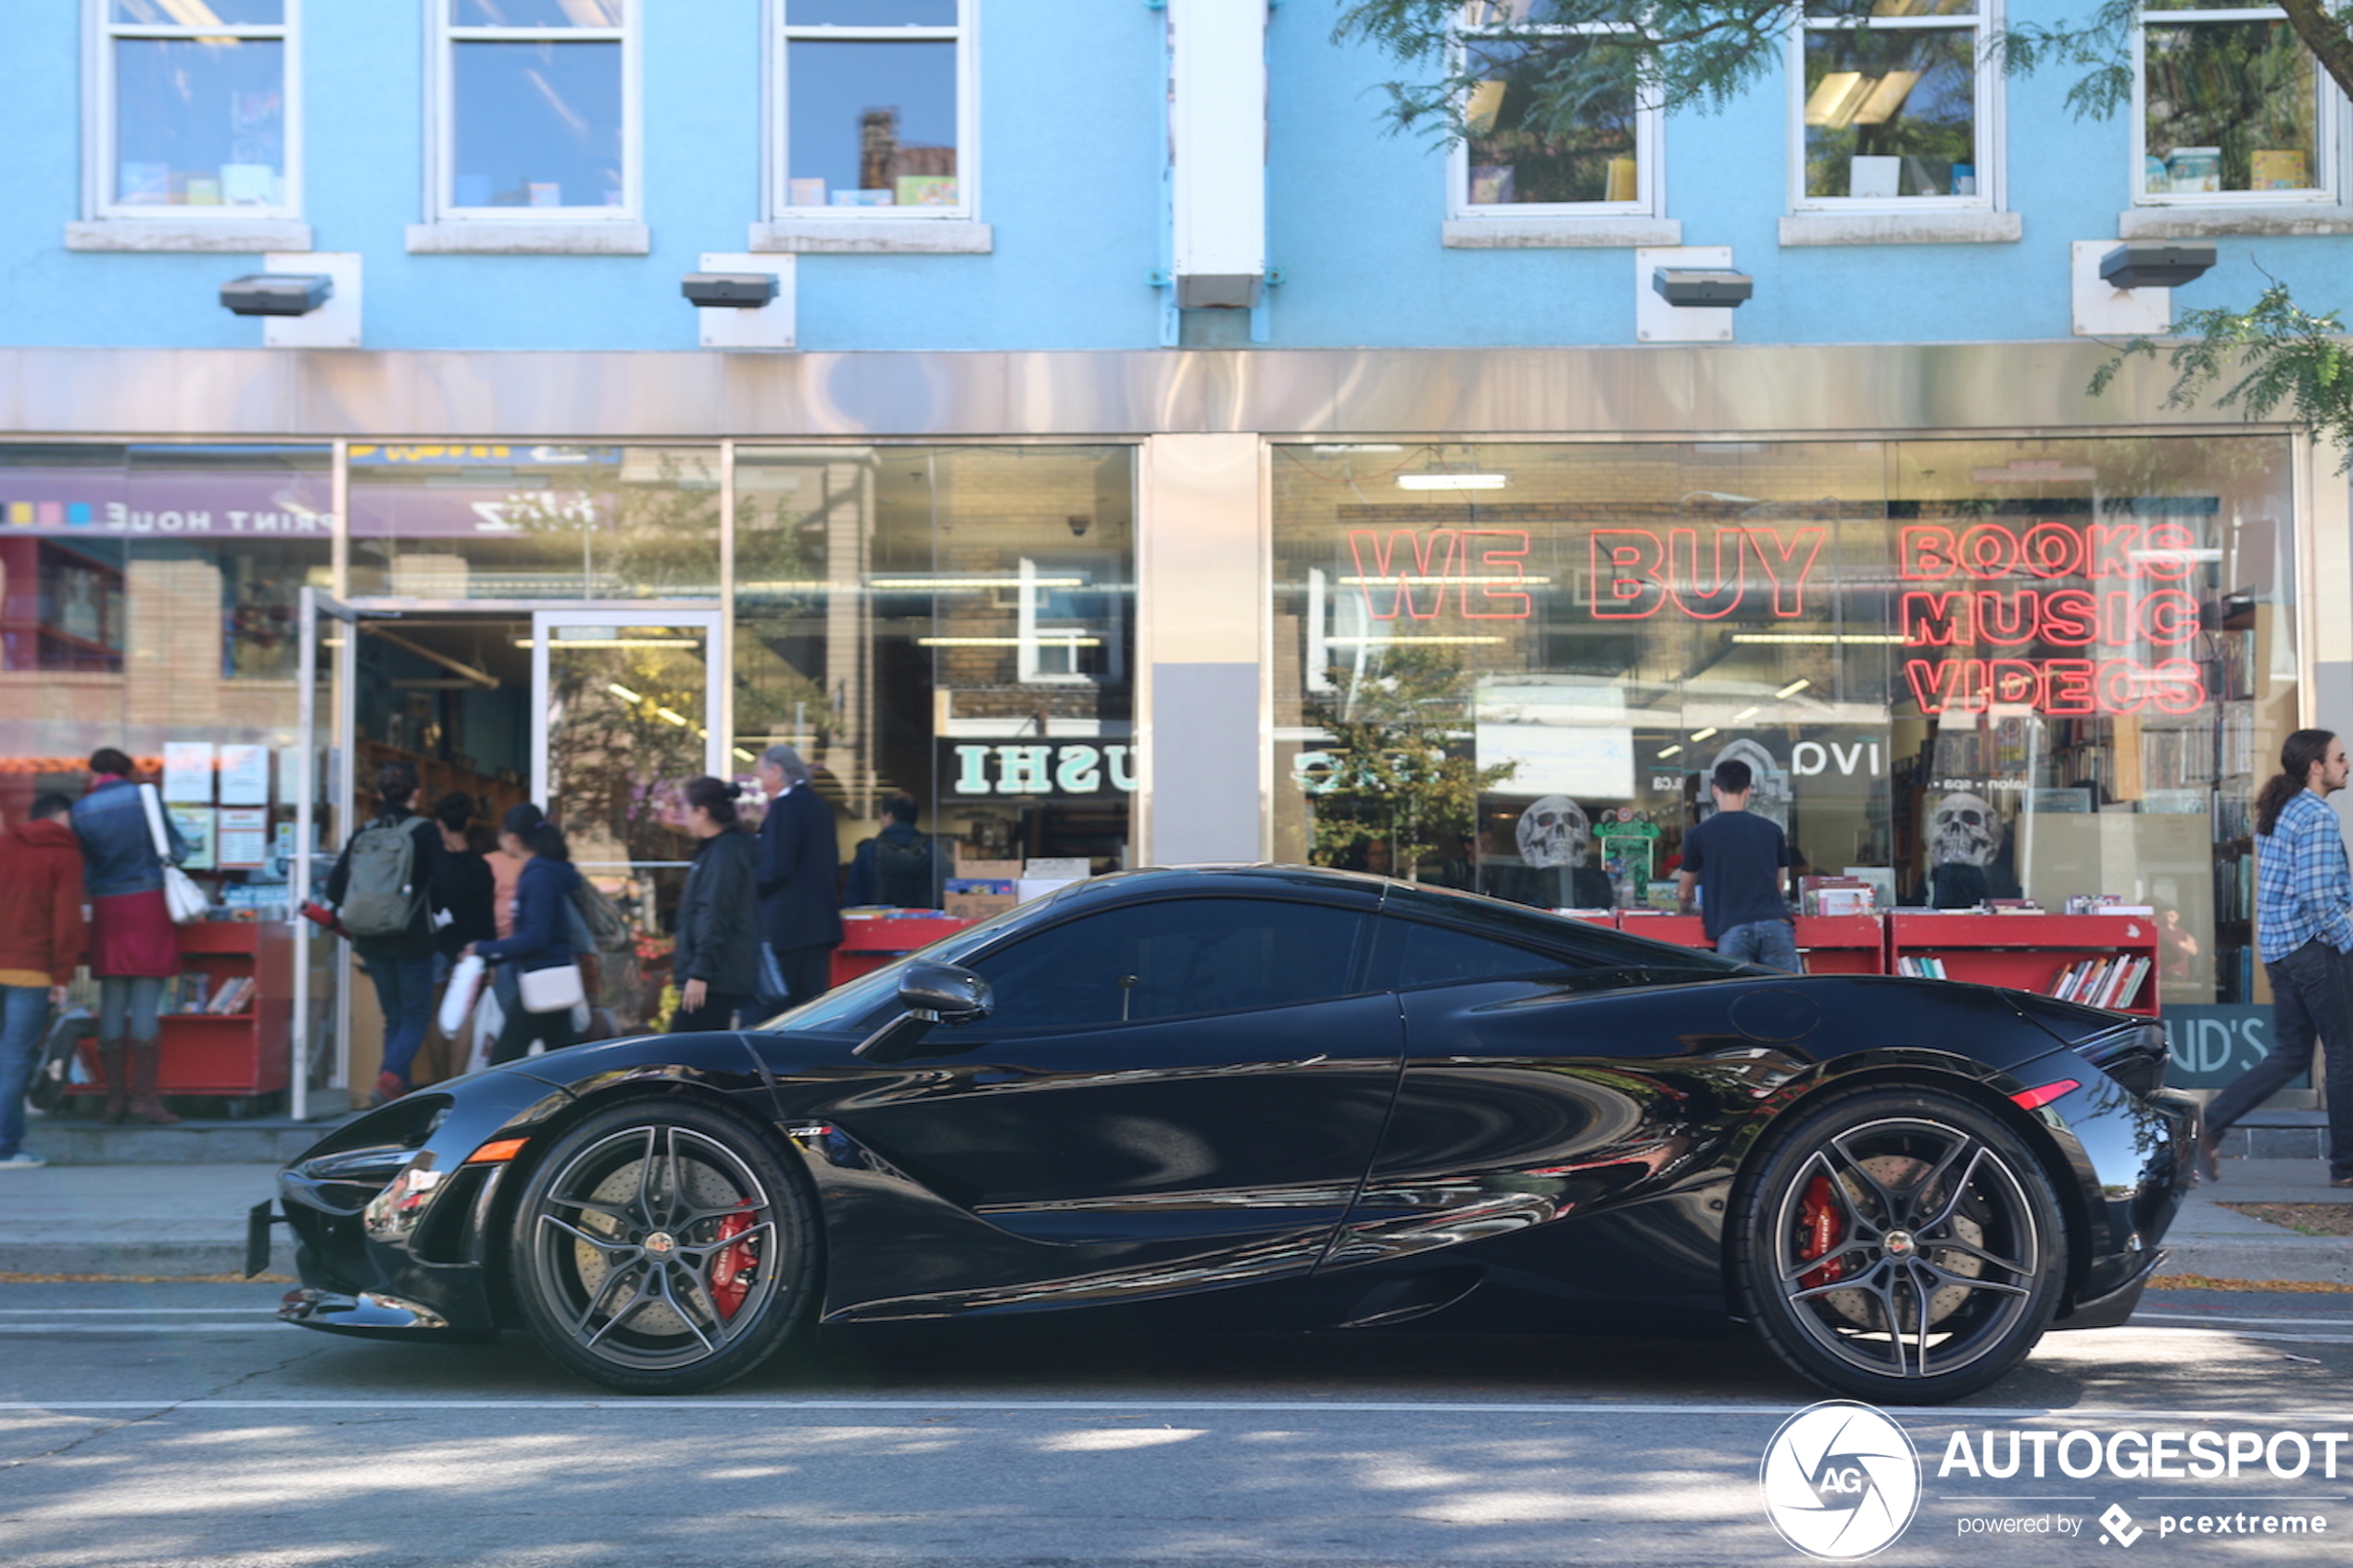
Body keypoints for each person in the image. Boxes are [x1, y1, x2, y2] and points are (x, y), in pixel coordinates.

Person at [2200, 729, 2353, 1186]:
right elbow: (2317, 897)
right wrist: (2347, 938)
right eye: (2340, 758)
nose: (2347, 764)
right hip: (2314, 951)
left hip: (2281, 950)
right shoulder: (2317, 816)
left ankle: (2210, 1125)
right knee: (2344, 1054)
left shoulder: (2279, 809)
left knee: (2291, 1054)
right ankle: (2347, 1167)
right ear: (2316, 766)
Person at [69, 748, 187, 1125]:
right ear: (126, 768)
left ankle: (114, 1100)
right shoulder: (146, 796)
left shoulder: (80, 811)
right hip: (148, 899)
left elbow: (83, 872)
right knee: (146, 997)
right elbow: (178, 849)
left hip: (107, 907)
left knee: (113, 997)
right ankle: (144, 1100)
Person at [324, 760, 442, 1105]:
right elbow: (445, 881)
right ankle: (389, 1078)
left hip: (371, 939)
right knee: (416, 1015)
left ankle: (394, 1099)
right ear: (416, 794)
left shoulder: (364, 833)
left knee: (393, 1016)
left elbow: (334, 890)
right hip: (413, 935)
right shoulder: (425, 832)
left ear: (378, 794)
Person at [0, 794, 89, 1167]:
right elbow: (66, 921)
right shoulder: (66, 855)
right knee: (15, 1058)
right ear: (64, 816)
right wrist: (63, 975)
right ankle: (5, 1147)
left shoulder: (6, 844)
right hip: (30, 970)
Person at [469, 806, 584, 1065]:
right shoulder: (546, 872)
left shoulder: (538, 877)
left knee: (504, 1061)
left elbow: (536, 936)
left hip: (542, 977)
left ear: (513, 838)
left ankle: (492, 1105)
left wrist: (484, 949)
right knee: (563, 1059)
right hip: (552, 976)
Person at [1677, 757, 1798, 973]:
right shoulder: (1771, 830)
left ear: (1715, 790)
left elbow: (1685, 892)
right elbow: (1779, 884)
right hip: (1776, 925)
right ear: (1748, 790)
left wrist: (1688, 908)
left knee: (1736, 997)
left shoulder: (1698, 835)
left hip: (1732, 926)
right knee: (1788, 996)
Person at [752, 744, 841, 1010]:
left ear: (777, 771)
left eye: (761, 775)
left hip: (787, 926)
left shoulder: (785, 807)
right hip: (818, 926)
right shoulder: (819, 806)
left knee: (777, 1013)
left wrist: (744, 890)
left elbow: (776, 867)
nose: (760, 784)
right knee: (812, 1010)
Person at [670, 776, 761, 1032]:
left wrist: (700, 973)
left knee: (682, 1054)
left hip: (716, 978)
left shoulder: (723, 854)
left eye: (686, 810)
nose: (683, 817)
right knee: (701, 1058)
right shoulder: (719, 851)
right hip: (717, 975)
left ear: (702, 813)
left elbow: (714, 913)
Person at [842, 792, 950, 909]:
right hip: (922, 923)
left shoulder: (869, 850)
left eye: (880, 816)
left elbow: (853, 897)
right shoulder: (933, 851)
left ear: (889, 816)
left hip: (878, 924)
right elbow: (944, 895)